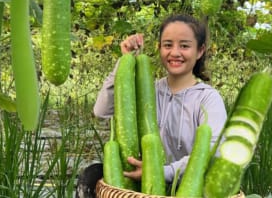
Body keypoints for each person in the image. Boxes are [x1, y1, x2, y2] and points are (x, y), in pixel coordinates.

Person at [77, 13, 227, 195]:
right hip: (138, 191)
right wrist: (124, 61)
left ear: (200, 51)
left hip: (189, 190)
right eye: (168, 45)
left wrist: (160, 172)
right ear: (159, 48)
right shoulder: (148, 90)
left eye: (185, 46)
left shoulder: (207, 98)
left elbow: (213, 153)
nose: (175, 52)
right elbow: (101, 111)